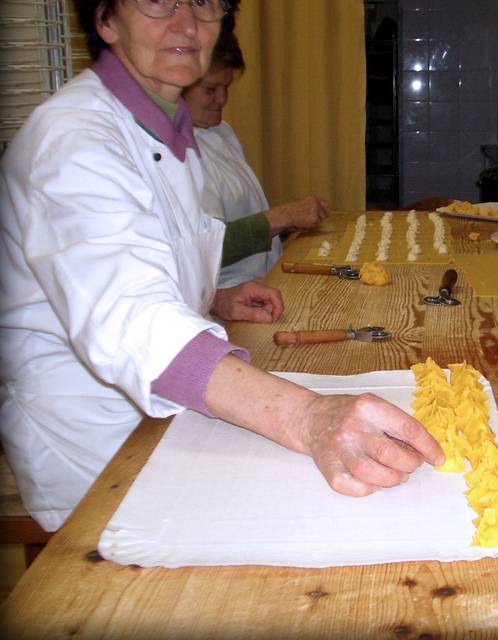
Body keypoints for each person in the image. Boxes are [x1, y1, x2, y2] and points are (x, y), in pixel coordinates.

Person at [0, 0, 443, 532]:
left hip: (166, 422)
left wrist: (213, 297)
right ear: (105, 20)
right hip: (96, 448)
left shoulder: (164, 126)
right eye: (159, 0)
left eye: (206, 3)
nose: (186, 22)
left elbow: (159, 247)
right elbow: (128, 316)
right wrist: (310, 416)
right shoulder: (73, 140)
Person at [182, 26, 327, 288]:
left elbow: (242, 218)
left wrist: (286, 225)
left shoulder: (220, 133)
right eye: (210, 89)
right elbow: (206, 249)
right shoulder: (177, 152)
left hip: (261, 282)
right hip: (225, 297)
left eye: (226, 87)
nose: (222, 99)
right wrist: (283, 217)